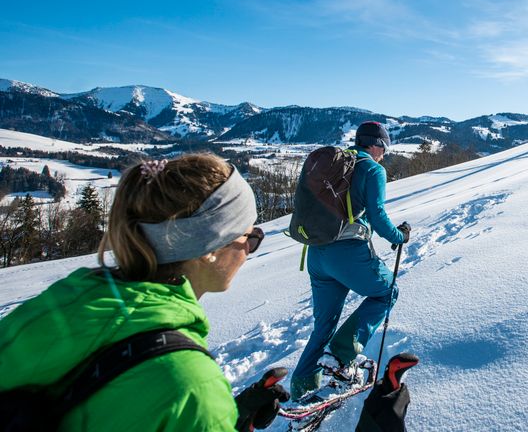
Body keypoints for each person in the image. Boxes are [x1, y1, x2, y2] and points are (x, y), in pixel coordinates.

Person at [0, 154, 289, 431]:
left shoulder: (63, 302)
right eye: (249, 237)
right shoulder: (191, 386)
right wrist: (213, 417)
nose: (249, 250)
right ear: (210, 250)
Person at [290, 121, 410, 399]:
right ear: (377, 144)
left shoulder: (333, 165)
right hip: (348, 254)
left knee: (324, 325)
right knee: (387, 292)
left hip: (317, 254)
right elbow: (377, 215)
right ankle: (341, 355)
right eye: (385, 147)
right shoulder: (372, 169)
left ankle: (302, 388)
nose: (384, 153)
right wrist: (399, 236)